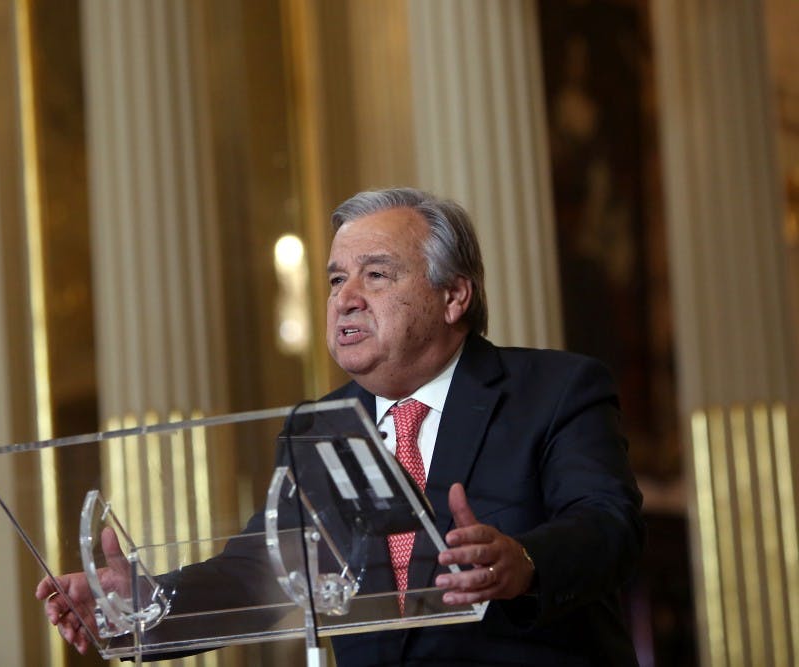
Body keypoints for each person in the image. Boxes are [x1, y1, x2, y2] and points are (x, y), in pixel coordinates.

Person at [38, 187, 644, 665]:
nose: (345, 298)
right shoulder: (318, 429)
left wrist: (525, 561)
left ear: (454, 296)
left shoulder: (555, 390)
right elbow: (256, 577)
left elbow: (608, 526)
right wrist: (141, 606)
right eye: (335, 280)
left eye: (376, 275)